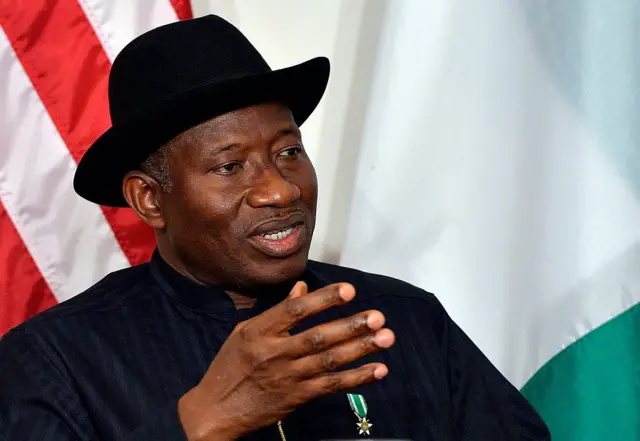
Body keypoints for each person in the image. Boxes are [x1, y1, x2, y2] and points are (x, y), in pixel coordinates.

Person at [0, 15, 550, 441]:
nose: (281, 190)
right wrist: (203, 421)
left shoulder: (405, 319)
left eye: (289, 152)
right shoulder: (55, 362)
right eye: (229, 166)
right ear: (149, 199)